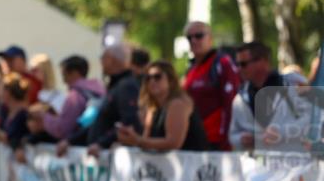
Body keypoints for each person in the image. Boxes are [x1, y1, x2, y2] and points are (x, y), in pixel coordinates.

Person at [60, 44, 141, 157]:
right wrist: (70, 140)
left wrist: (102, 144)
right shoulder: (116, 86)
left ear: (112, 60)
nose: (101, 62)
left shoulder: (126, 86)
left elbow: (128, 122)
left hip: (111, 158)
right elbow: (100, 121)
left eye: (103, 58)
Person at [117, 60, 209, 152]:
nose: (152, 81)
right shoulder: (153, 108)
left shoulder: (178, 103)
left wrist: (137, 140)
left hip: (193, 163)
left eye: (157, 77)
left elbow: (173, 143)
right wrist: (129, 138)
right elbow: (146, 141)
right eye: (148, 78)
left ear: (171, 80)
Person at [182, 21, 240, 150]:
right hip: (193, 139)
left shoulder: (222, 63)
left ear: (210, 38)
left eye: (199, 35)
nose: (193, 40)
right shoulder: (191, 68)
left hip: (216, 141)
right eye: (189, 37)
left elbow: (231, 103)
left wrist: (227, 140)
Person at [228, 41, 293, 151]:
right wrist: (241, 139)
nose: (239, 69)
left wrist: (281, 134)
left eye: (243, 64)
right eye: (237, 64)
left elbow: (311, 125)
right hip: (256, 164)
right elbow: (232, 135)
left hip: (291, 162)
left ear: (262, 61)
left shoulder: (293, 88)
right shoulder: (240, 99)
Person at [38, 55, 105, 142]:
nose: (64, 81)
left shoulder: (75, 96)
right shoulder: (100, 91)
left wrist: (44, 117)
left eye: (65, 75)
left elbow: (62, 129)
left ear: (74, 73)